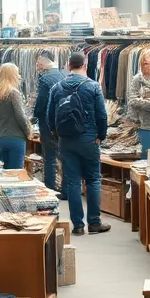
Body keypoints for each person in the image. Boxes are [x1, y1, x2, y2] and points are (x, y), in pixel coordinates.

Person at [44, 51, 111, 236]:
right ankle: (94, 222)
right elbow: (102, 115)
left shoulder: (57, 87)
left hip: (67, 140)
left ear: (68, 66)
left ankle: (78, 225)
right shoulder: (93, 86)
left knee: (72, 181)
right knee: (93, 179)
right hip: (89, 138)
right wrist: (101, 136)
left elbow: (50, 116)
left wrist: (57, 135)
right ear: (85, 64)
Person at [32, 51, 64, 193]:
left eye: (39, 62)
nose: (37, 65)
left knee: (49, 156)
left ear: (45, 63)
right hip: (61, 121)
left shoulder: (45, 79)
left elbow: (41, 102)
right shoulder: (62, 75)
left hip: (47, 122)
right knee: (62, 156)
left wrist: (34, 117)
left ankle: (49, 188)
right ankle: (64, 188)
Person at [0, 63, 31, 170]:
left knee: (0, 174)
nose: (19, 76)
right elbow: (20, 116)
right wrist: (28, 131)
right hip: (15, 138)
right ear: (12, 75)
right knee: (15, 175)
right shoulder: (13, 93)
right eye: (17, 73)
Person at [127, 50, 150, 157]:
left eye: (148, 63)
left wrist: (147, 100)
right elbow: (132, 101)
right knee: (143, 157)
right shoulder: (137, 79)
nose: (145, 66)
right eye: (143, 63)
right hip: (141, 125)